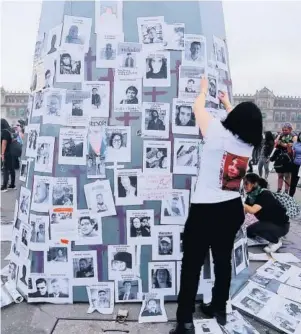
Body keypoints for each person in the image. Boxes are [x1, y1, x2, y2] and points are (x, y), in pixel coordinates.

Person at [171, 77, 262, 334]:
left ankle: (185, 322)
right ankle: (219, 308)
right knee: (222, 261)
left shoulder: (214, 130)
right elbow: (241, 121)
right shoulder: (250, 144)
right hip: (231, 209)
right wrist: (227, 102)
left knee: (191, 266)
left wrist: (202, 92)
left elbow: (197, 108)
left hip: (204, 210)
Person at [244, 173, 290, 253]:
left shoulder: (265, 194)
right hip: (267, 222)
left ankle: (276, 241)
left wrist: (238, 202)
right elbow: (244, 211)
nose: (244, 186)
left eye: (246, 183)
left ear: (254, 184)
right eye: (243, 183)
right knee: (248, 232)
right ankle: (269, 234)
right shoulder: (251, 195)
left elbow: (252, 210)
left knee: (257, 227)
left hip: (281, 225)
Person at [272, 123, 296, 194]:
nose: (284, 131)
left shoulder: (294, 136)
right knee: (280, 175)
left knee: (287, 175)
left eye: (286, 130)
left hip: (288, 157)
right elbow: (275, 144)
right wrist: (277, 141)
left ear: (290, 129)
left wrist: (282, 144)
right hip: (280, 157)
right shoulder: (280, 135)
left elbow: (291, 146)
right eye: (283, 130)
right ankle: (279, 189)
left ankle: (286, 191)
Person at [1, 119, 16, 192]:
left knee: (5, 169)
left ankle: (4, 186)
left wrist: (2, 154)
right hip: (12, 152)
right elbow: (12, 140)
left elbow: (4, 143)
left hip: (6, 153)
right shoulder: (10, 131)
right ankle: (12, 185)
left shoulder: (4, 132)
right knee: (11, 169)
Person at [289, 132, 301, 197]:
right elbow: (292, 154)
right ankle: (290, 197)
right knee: (293, 183)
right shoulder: (295, 144)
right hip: (296, 165)